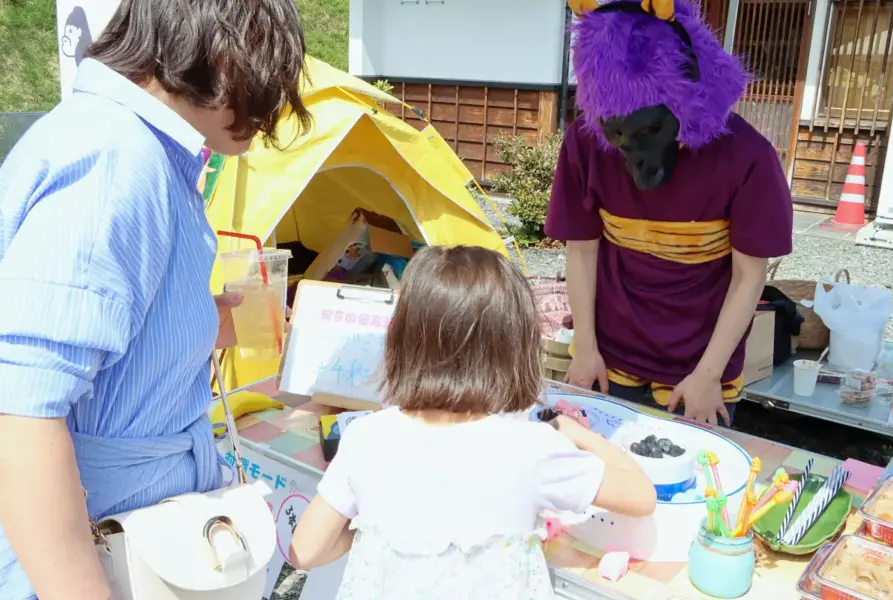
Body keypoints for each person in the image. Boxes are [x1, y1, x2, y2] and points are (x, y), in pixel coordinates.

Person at [0, 1, 310, 599]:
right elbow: (21, 414)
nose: (264, 116)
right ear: (221, 50)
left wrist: (222, 317)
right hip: (96, 555)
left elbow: (128, 342)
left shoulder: (129, 146)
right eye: (264, 85)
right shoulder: (117, 161)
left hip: (141, 538)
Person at [289, 246, 657, 599]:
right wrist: (571, 430)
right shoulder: (533, 447)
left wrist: (380, 537)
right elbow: (642, 495)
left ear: (403, 339)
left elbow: (305, 551)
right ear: (515, 348)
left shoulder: (366, 436)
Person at [547, 0, 793, 427]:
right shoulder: (584, 143)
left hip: (700, 367)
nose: (633, 151)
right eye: (617, 133)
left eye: (648, 131)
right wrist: (584, 347)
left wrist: (709, 374)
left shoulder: (747, 156)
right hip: (610, 357)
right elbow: (582, 250)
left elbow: (749, 275)